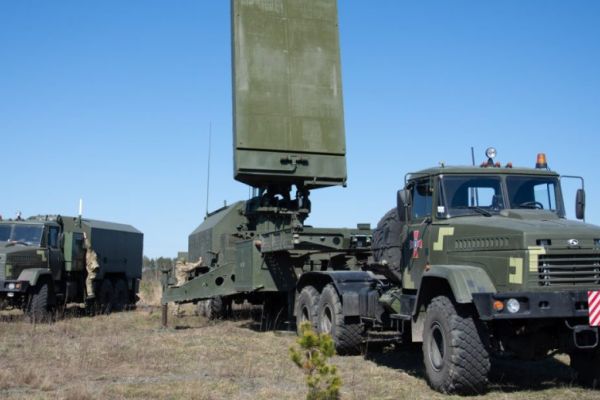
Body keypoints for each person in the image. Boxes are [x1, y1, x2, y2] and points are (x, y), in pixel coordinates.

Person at [83, 232, 100, 300]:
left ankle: (90, 294)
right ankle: (91, 293)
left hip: (93, 269)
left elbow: (88, 245)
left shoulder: (89, 251)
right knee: (89, 280)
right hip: (93, 269)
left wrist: (85, 237)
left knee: (88, 281)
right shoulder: (91, 253)